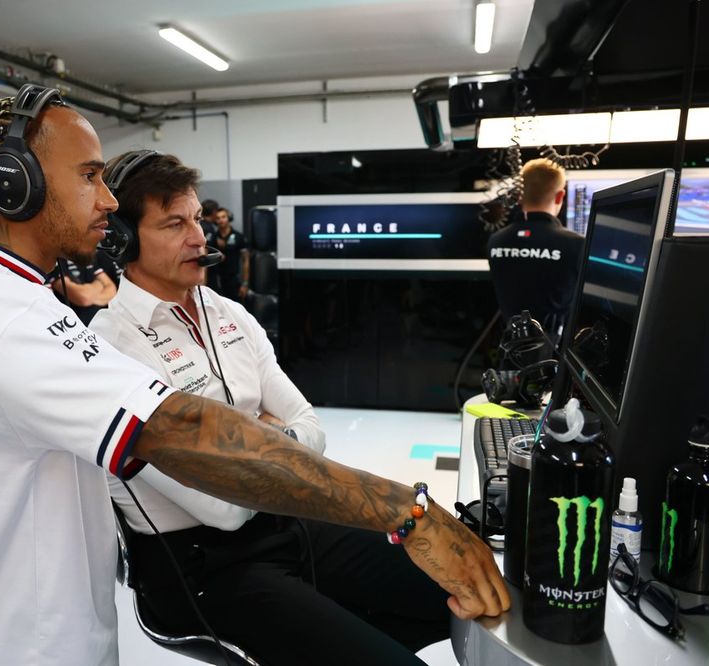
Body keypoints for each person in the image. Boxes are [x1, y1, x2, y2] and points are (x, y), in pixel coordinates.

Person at [0, 85, 508, 666]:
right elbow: (187, 435)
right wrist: (408, 512)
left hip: (26, 631)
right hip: (25, 645)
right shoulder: (5, 317)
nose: (107, 199)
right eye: (89, 176)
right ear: (13, 183)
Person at [91, 150, 456, 665]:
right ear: (123, 239)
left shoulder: (229, 314)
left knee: (450, 586)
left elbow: (312, 428)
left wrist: (259, 449)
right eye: (174, 224)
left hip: (285, 519)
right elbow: (223, 511)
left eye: (196, 218)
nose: (199, 237)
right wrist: (273, 440)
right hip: (203, 568)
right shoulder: (111, 345)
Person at [487, 158, 584, 333]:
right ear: (560, 196)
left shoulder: (496, 240)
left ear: (519, 195)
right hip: (556, 347)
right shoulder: (576, 244)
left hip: (510, 345)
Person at [49, 244, 120, 325]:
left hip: (102, 318)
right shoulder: (55, 260)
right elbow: (82, 297)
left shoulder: (85, 255)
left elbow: (112, 290)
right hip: (77, 323)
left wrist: (90, 296)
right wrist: (99, 284)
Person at [204, 206, 250, 301]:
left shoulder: (238, 236)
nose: (221, 220)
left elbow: (246, 261)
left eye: (223, 217)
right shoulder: (212, 237)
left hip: (233, 280)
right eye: (218, 218)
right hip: (216, 281)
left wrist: (245, 283)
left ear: (229, 218)